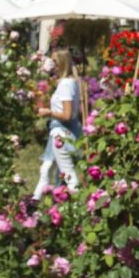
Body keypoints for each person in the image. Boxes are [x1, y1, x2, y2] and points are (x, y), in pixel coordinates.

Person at [33, 49, 83, 197]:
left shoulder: (66, 84)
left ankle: (79, 201)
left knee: (68, 174)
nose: (52, 65)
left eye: (55, 62)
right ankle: (34, 202)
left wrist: (48, 112)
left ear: (62, 63)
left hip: (62, 133)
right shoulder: (68, 82)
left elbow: (67, 115)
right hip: (60, 130)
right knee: (46, 169)